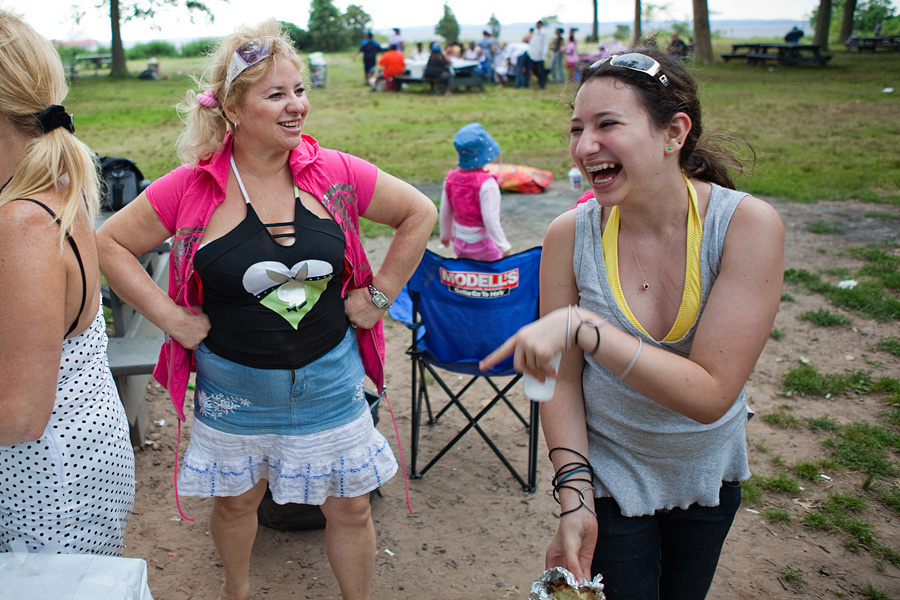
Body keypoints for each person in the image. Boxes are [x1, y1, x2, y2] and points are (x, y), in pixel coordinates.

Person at [96, 19, 436, 600]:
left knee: (350, 505)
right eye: (276, 94)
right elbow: (110, 243)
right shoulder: (191, 187)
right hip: (234, 383)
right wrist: (172, 319)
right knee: (236, 501)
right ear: (231, 107)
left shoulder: (336, 173)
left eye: (299, 90)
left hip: (331, 376)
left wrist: (378, 296)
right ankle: (237, 591)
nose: (296, 106)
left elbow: (419, 213)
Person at [481, 48, 784, 599]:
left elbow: (712, 394)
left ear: (673, 133)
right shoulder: (569, 235)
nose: (583, 146)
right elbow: (559, 380)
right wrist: (574, 495)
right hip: (608, 477)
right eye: (576, 128)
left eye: (607, 124)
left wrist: (587, 329)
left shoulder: (745, 226)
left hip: (706, 478)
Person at [0, 10, 135, 555]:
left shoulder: (23, 222)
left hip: (44, 486)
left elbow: (20, 412)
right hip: (73, 461)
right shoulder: (45, 184)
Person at [439, 122, 511, 261]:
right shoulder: (487, 185)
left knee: (468, 277)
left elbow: (445, 211)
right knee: (492, 279)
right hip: (484, 248)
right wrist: (503, 246)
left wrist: (445, 236)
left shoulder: (450, 179)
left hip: (459, 244)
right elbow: (490, 219)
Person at [526, 20, 550, 89]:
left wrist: (544, 54)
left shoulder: (543, 33)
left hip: (540, 56)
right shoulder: (535, 33)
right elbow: (532, 43)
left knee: (540, 70)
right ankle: (542, 80)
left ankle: (542, 84)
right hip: (534, 55)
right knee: (534, 69)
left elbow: (545, 44)